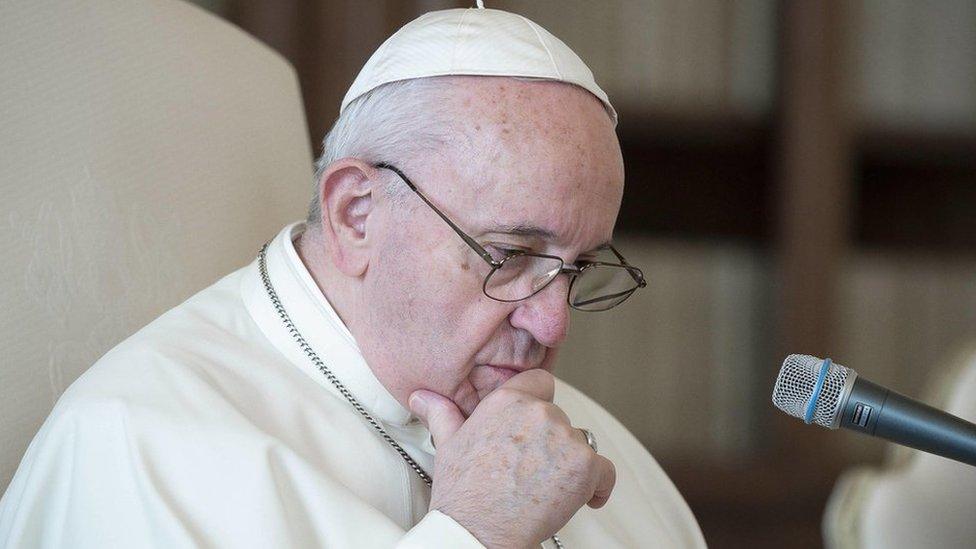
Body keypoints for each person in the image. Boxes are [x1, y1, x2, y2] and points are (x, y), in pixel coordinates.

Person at [0, 4, 705, 548]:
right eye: (510, 253)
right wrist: (472, 533)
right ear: (356, 214)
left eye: (577, 268)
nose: (554, 323)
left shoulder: (606, 463)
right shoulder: (137, 445)